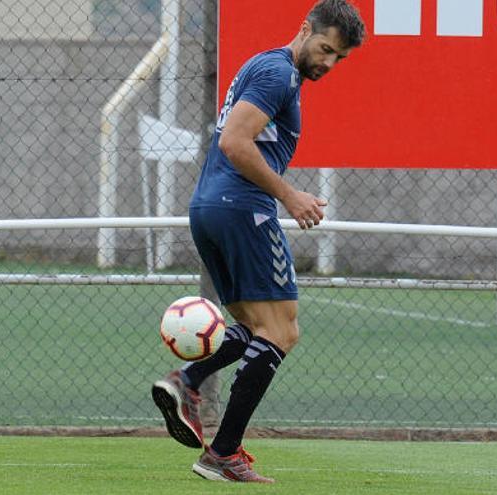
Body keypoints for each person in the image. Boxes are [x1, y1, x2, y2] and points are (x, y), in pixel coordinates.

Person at [151, 0, 365, 483]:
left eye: (340, 58)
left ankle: (187, 383)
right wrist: (289, 195)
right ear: (305, 29)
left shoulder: (266, 65)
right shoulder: (278, 75)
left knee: (251, 326)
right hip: (243, 209)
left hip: (212, 207)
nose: (329, 63)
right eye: (326, 48)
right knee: (283, 331)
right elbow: (233, 142)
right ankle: (220, 449)